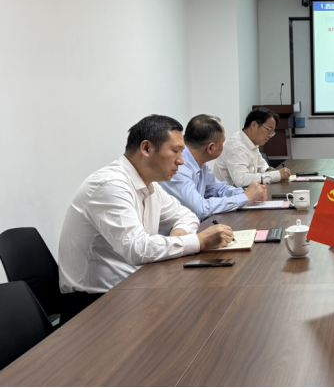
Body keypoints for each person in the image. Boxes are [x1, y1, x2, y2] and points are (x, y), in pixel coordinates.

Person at [58, 115, 235, 322]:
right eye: (176, 151)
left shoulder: (150, 185)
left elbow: (187, 215)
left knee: (207, 305)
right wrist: (199, 241)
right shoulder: (110, 185)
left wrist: (180, 234)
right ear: (147, 148)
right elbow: (138, 249)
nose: (181, 160)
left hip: (133, 287)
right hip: (93, 307)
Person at [160, 115, 269, 221]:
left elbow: (219, 189)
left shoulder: (200, 164)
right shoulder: (178, 167)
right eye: (222, 143)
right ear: (211, 147)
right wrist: (246, 197)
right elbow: (200, 209)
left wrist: (248, 193)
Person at [213, 107, 292, 187]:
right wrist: (276, 175)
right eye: (269, 130)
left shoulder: (251, 142)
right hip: (230, 193)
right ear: (254, 125)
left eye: (272, 132)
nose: (270, 135)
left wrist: (270, 170)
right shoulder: (237, 146)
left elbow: (262, 165)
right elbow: (241, 180)